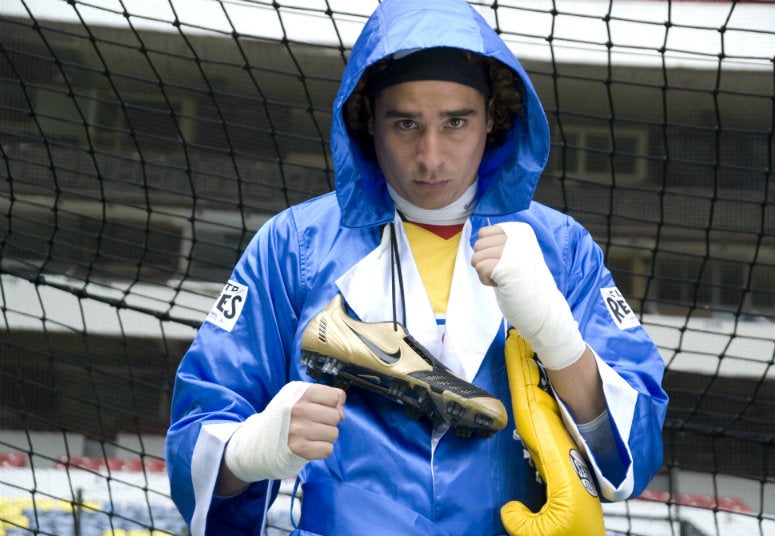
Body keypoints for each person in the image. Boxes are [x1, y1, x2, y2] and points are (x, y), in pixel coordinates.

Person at [165, 0, 669, 534]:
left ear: (492, 117)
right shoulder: (294, 246)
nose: (431, 157)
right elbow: (195, 436)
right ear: (367, 120)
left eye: (456, 122)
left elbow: (635, 455)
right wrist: (246, 451)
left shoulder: (562, 250)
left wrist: (559, 341)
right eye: (406, 123)